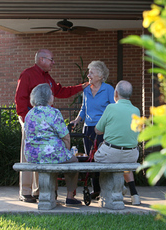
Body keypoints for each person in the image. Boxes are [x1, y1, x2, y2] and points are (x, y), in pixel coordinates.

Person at [15, 49, 89, 203]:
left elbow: (60, 91)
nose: (53, 63)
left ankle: (39, 191)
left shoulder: (47, 77)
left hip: (45, 124)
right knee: (28, 157)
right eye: (51, 60)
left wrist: (81, 87)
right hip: (31, 122)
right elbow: (20, 98)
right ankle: (26, 191)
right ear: (41, 59)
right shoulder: (27, 74)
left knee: (42, 155)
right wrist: (25, 120)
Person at [24, 83, 81, 206]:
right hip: (51, 153)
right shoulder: (53, 113)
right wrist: (67, 152)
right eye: (51, 94)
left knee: (53, 161)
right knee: (73, 161)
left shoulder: (29, 115)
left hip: (32, 155)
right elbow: (65, 137)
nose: (53, 96)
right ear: (47, 97)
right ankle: (70, 197)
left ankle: (52, 194)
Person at [70, 60, 115, 198]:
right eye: (88, 72)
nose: (88, 75)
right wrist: (77, 120)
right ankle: (96, 190)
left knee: (104, 159)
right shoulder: (86, 89)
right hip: (88, 129)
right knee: (91, 159)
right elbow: (84, 108)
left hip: (103, 129)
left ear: (101, 76)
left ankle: (107, 189)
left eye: (91, 72)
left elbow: (113, 109)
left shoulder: (108, 89)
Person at [94, 80, 141, 205]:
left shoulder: (111, 108)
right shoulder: (136, 111)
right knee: (124, 164)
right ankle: (134, 194)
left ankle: (118, 188)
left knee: (99, 156)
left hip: (111, 153)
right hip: (131, 155)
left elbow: (98, 130)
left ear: (115, 93)